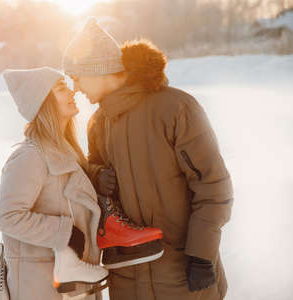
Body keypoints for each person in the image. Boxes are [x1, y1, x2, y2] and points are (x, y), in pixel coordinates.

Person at [62, 17, 234, 300]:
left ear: (100, 70)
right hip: (126, 278)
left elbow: (214, 187)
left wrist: (202, 256)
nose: (76, 87)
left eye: (77, 76)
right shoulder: (98, 123)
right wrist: (95, 175)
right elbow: (93, 189)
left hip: (182, 275)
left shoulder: (177, 109)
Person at [0, 66, 108, 300]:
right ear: (43, 102)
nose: (72, 92)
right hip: (39, 287)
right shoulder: (30, 156)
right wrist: (65, 233)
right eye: (61, 88)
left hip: (74, 286)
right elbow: (8, 216)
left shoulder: (68, 152)